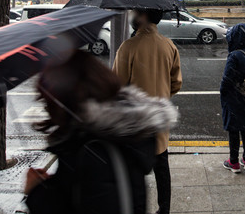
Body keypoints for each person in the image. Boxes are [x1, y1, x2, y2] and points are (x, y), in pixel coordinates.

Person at [24, 51, 178, 214]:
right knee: (162, 168)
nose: (47, 109)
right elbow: (176, 81)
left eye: (47, 102)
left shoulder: (92, 152)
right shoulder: (115, 138)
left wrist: (37, 193)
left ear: (64, 99)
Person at [113, 9, 183, 214]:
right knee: (162, 165)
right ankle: (164, 209)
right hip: (160, 117)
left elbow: (117, 86)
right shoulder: (168, 45)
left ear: (143, 16)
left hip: (136, 121)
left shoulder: (129, 47)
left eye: (135, 13)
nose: (132, 17)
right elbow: (176, 82)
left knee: (133, 171)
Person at [220, 23, 245, 173]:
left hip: (234, 98)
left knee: (234, 130)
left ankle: (233, 162)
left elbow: (227, 80)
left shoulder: (234, 56)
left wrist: (223, 93)